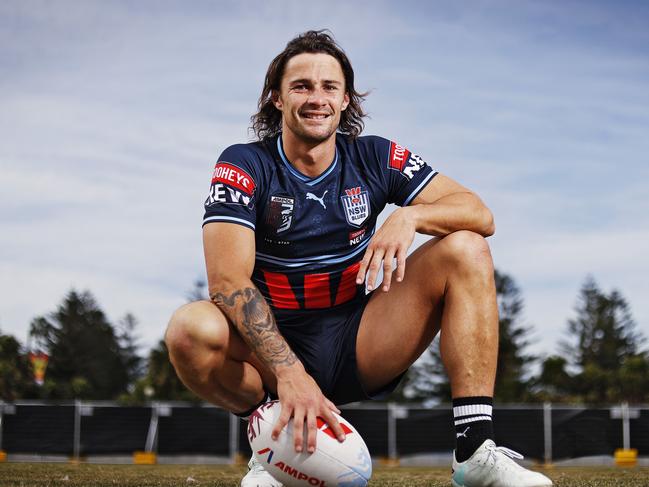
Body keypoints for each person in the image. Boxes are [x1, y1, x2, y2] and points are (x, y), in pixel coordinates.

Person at [165, 30, 553, 487]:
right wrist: (289, 373)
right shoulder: (243, 163)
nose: (317, 98)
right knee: (189, 330)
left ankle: (474, 450)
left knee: (466, 248)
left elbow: (479, 213)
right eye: (301, 86)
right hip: (270, 351)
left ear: (346, 99)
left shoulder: (373, 156)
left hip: (358, 339)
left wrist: (409, 217)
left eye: (329, 86)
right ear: (275, 98)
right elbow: (227, 281)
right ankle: (272, 445)